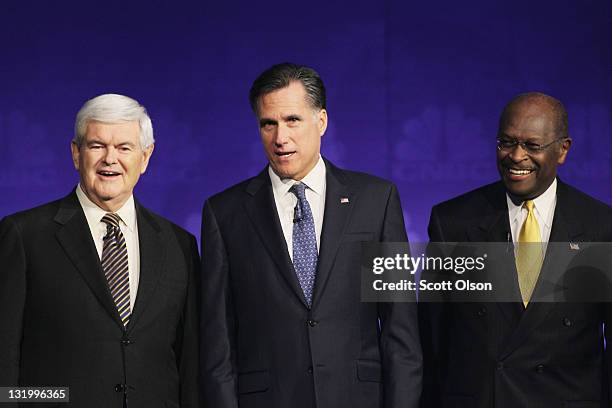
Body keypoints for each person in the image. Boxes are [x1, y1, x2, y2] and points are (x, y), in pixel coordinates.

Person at [200, 63, 422, 408]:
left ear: (321, 121)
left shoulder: (375, 201)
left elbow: (400, 328)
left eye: (292, 120)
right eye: (268, 124)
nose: (280, 138)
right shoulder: (224, 213)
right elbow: (218, 342)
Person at [0, 94, 200, 408]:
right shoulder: (24, 236)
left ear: (145, 157)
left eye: (124, 148)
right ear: (76, 154)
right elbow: (4, 358)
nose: (110, 159)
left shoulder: (180, 245)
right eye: (97, 146)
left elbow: (191, 366)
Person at [420, 92, 612, 407]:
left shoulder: (601, 227)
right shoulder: (452, 222)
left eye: (532, 146)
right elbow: (432, 338)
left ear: (563, 150)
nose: (516, 156)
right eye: (506, 142)